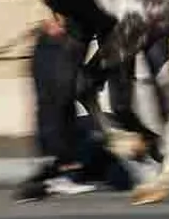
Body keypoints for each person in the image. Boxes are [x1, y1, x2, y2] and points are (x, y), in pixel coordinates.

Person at [13, 14, 137, 201]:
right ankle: (62, 168)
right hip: (64, 35)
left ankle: (64, 167)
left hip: (77, 31)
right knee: (56, 97)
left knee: (62, 98)